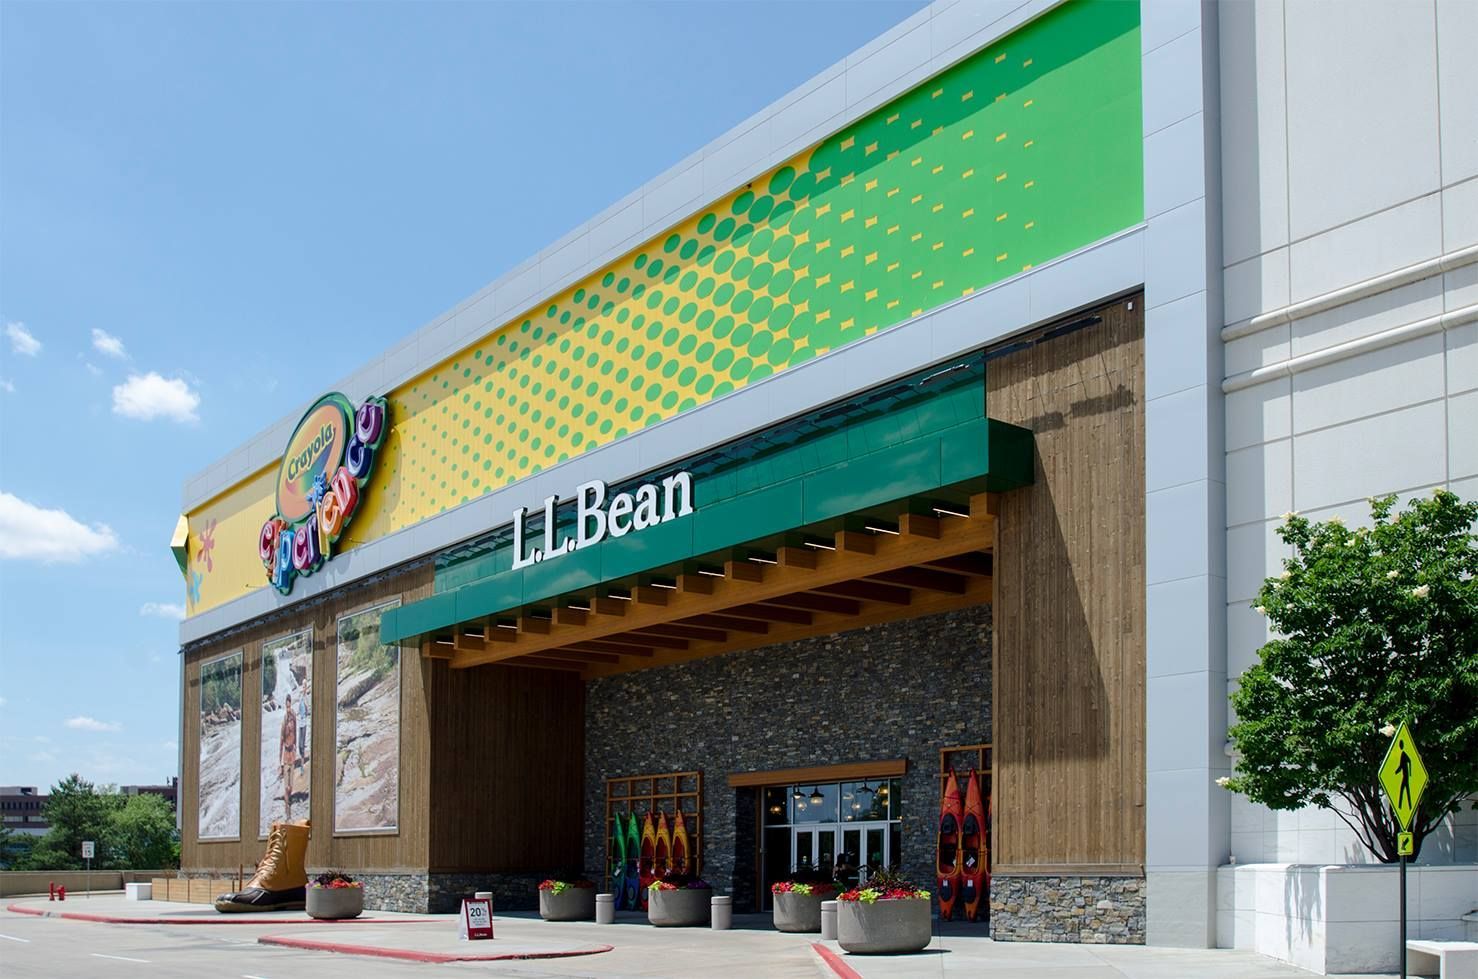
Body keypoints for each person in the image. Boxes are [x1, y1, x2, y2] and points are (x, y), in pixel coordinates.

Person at [279, 692, 298, 818]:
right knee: (286, 787)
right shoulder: (284, 723)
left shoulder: (294, 719)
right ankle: (287, 812)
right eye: (287, 707)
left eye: (289, 706)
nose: (288, 709)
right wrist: (279, 762)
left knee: (291, 787)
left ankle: (289, 806)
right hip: (286, 755)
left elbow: (295, 733)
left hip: (292, 755)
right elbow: (281, 741)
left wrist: (296, 748)